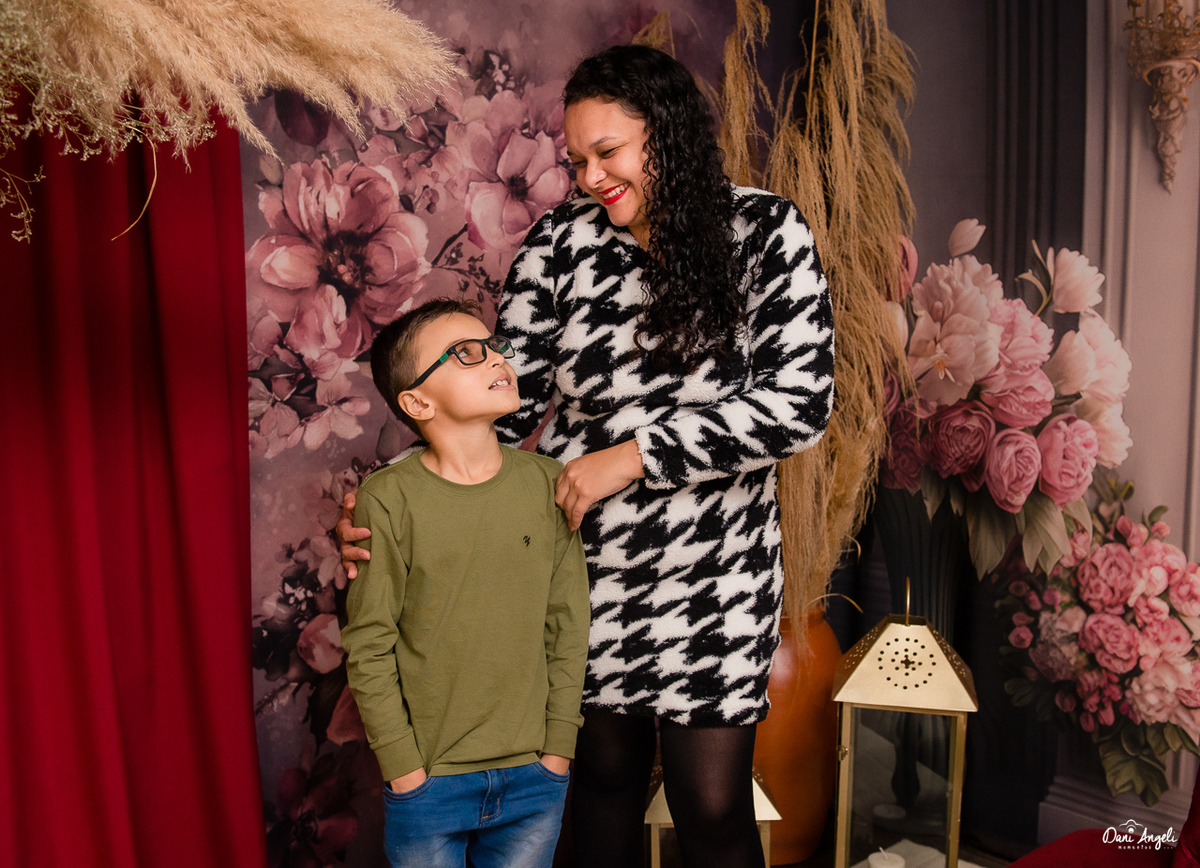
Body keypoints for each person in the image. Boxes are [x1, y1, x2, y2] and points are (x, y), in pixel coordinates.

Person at [341, 45, 835, 868]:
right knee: (600, 784)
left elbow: (799, 404)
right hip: (581, 563)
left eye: (608, 152)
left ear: (665, 135)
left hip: (717, 572)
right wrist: (393, 500)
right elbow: (499, 406)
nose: (591, 177)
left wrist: (632, 456)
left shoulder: (764, 233)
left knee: (711, 804)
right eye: (577, 161)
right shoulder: (560, 247)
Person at [340, 298, 591, 868]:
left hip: (535, 777)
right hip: (428, 783)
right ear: (417, 402)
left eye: (494, 346)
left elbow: (568, 626)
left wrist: (558, 750)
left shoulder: (548, 484)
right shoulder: (387, 498)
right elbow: (369, 644)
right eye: (467, 353)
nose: (497, 358)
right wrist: (404, 769)